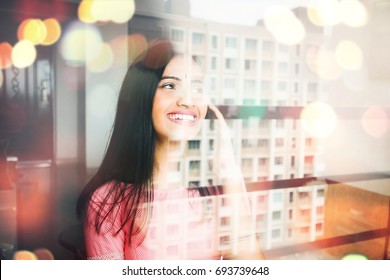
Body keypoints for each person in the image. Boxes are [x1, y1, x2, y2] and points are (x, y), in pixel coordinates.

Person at [76, 39, 264, 260]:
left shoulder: (220, 189)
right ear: (142, 99)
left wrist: (228, 167)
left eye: (197, 88)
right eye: (170, 86)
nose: (187, 100)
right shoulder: (108, 201)